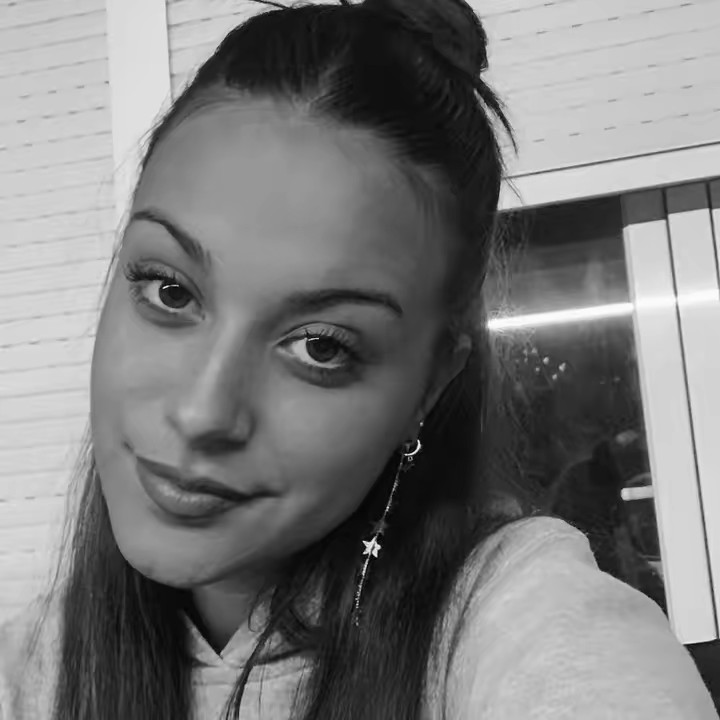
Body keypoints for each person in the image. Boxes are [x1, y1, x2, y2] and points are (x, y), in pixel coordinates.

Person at [1, 1, 716, 718]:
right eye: (170, 290)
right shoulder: (34, 668)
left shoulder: (513, 620)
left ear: (428, 386)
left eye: (321, 346)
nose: (200, 412)